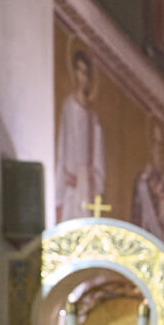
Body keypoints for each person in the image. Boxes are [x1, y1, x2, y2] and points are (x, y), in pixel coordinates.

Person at [56, 45, 107, 222]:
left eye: (86, 73)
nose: (82, 77)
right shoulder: (69, 105)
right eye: (79, 71)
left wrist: (94, 176)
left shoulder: (92, 115)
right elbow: (64, 141)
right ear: (74, 73)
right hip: (72, 176)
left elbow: (98, 148)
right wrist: (66, 174)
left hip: (87, 179)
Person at [131, 118, 164, 244]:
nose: (158, 149)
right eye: (155, 143)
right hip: (146, 233)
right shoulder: (142, 178)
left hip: (163, 235)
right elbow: (138, 209)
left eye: (161, 144)